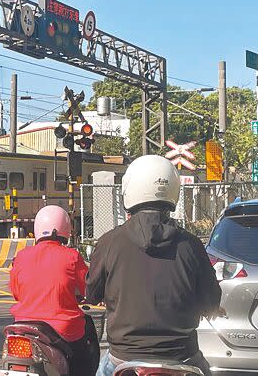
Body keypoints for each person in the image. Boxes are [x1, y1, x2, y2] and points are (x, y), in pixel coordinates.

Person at [85, 155, 222, 376]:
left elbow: (91, 293)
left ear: (129, 189)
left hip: (124, 359)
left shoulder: (109, 242)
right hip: (181, 357)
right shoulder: (192, 245)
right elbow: (210, 300)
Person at [10, 205, 100, 376]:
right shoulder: (72, 256)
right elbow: (88, 289)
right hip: (62, 330)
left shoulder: (21, 256)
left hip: (22, 328)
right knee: (84, 344)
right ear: (65, 229)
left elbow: (16, 293)